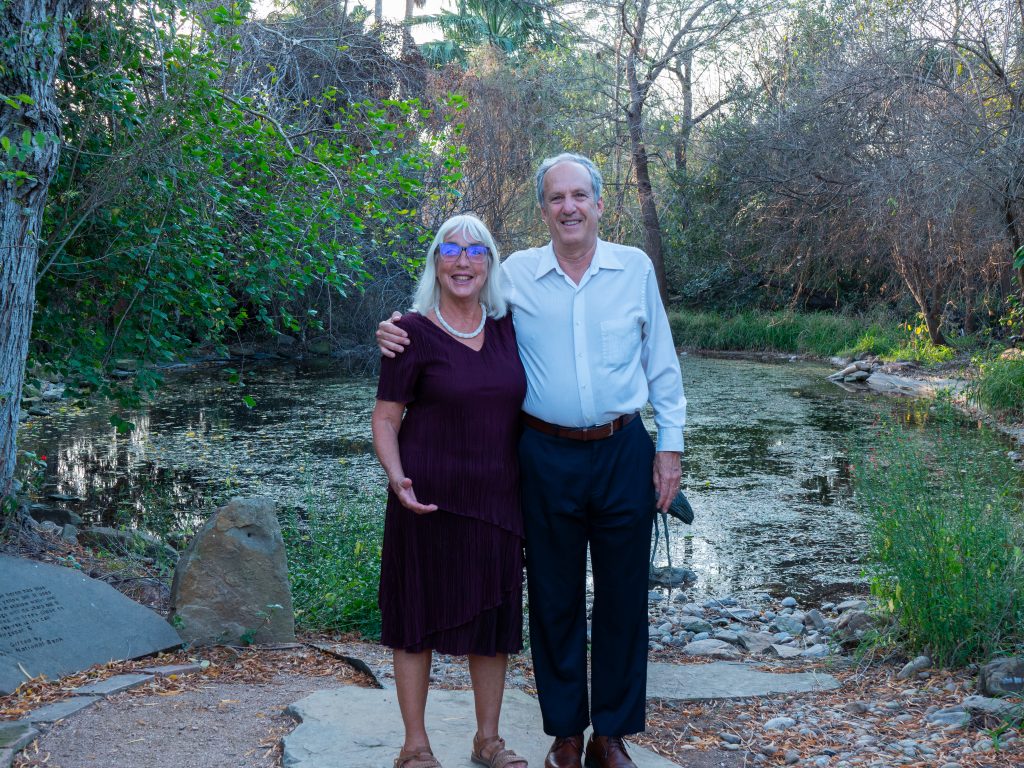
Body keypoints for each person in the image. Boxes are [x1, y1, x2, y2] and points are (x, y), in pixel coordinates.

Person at [378, 154, 686, 768]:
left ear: (600, 203)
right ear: (542, 209)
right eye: (555, 198)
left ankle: (612, 736)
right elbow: (450, 307)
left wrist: (670, 446)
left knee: (624, 595)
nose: (568, 207)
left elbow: (662, 362)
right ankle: (566, 734)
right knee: (553, 596)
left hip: (625, 447)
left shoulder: (634, 268)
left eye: (579, 195)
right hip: (543, 455)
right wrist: (391, 329)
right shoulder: (515, 273)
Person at [372, 213, 529, 768]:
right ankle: (415, 747)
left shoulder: (511, 327)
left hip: (497, 503)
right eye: (451, 249)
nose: (463, 261)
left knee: (493, 623)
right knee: (416, 621)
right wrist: (395, 477)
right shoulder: (409, 333)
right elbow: (386, 419)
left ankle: (488, 741)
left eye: (476, 250)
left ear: (490, 263)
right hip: (425, 500)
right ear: (436, 263)